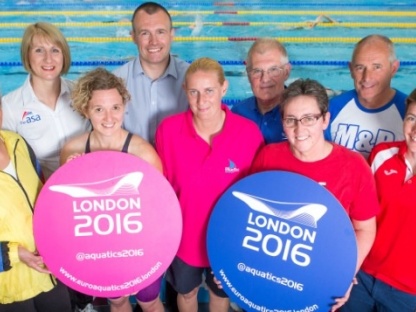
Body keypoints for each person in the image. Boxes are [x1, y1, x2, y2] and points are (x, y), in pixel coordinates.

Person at [251, 78, 379, 311]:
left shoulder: (353, 166)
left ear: (325, 120)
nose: (300, 130)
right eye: (291, 120)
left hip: (322, 276)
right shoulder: (268, 157)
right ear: (283, 122)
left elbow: (365, 228)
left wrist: (345, 274)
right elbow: (251, 217)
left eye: (309, 119)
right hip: (274, 273)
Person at [155, 57, 264, 312]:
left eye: (209, 91)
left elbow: (256, 193)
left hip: (228, 238)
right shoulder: (168, 131)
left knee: (219, 293)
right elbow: (162, 189)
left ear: (224, 88)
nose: (201, 101)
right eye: (194, 92)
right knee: (187, 291)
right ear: (185, 91)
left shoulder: (248, 134)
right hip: (184, 236)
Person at [60, 68, 164, 312]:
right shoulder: (73, 149)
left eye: (115, 107)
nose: (109, 117)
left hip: (140, 247)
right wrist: (70, 174)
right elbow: (68, 214)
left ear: (124, 106)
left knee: (148, 301)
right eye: (99, 109)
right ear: (86, 110)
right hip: (100, 250)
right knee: (117, 301)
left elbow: (160, 213)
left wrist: (141, 264)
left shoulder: (143, 153)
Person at [341, 88, 416, 311]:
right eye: (412, 118)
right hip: (361, 278)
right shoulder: (382, 154)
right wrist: (348, 267)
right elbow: (357, 212)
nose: (414, 129)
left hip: (408, 293)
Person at [0, 95, 72, 312]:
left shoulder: (17, 142)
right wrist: (13, 254)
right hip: (9, 286)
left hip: (48, 271)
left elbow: (44, 196)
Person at [1, 22, 90, 180]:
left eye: (55, 50)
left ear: (64, 55)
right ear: (27, 55)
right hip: (41, 194)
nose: (48, 59)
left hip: (87, 184)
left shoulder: (82, 94)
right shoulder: (10, 107)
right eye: (39, 50)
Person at [113, 1, 189, 144]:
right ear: (133, 37)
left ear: (171, 34)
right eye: (145, 33)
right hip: (133, 164)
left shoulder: (191, 78)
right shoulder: (116, 81)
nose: (154, 42)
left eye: (160, 32)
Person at [327, 34, 407, 158]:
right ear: (351, 70)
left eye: (377, 67)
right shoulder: (332, 109)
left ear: (393, 69)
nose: (367, 77)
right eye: (360, 68)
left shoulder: (409, 113)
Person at [231, 38, 291, 144]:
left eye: (273, 70)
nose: (265, 79)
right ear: (249, 75)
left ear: (286, 72)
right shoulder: (237, 113)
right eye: (257, 71)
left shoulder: (300, 115)